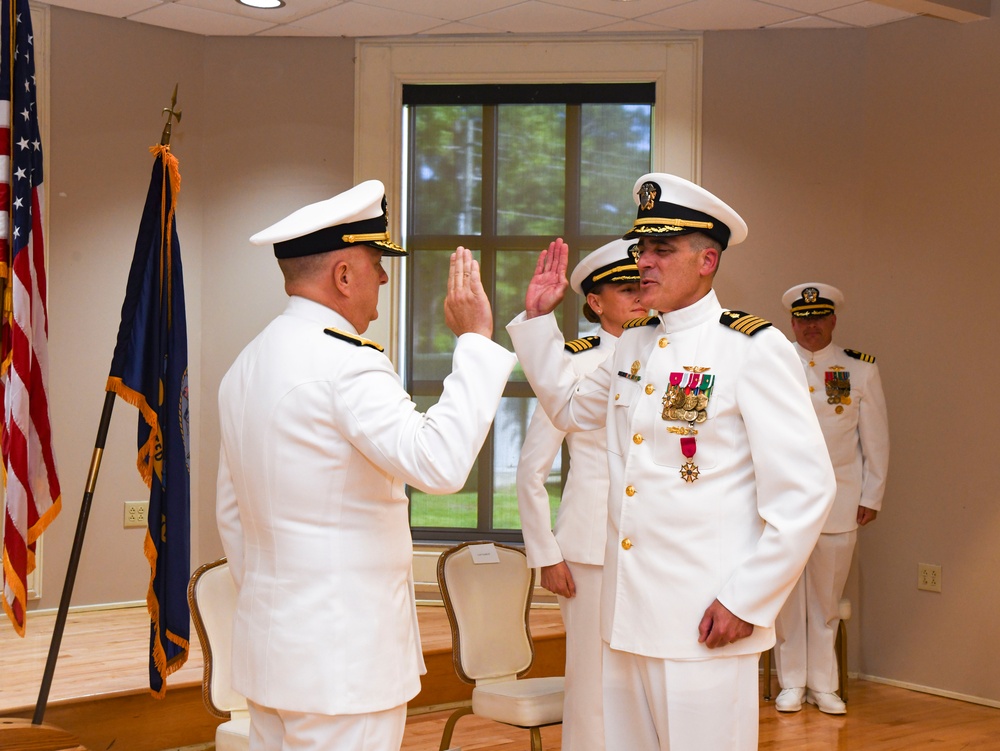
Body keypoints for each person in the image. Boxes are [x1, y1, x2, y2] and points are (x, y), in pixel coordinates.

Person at [506, 173, 836, 750]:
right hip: (627, 614)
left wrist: (747, 600)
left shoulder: (752, 348)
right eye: (641, 249)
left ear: (707, 260)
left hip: (705, 616)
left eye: (662, 249)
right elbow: (568, 407)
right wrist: (537, 323)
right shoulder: (634, 342)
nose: (645, 262)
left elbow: (805, 492)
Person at [215, 179, 516, 751]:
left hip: (272, 650)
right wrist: (475, 341)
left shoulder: (247, 364)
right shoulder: (345, 363)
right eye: (376, 262)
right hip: (343, 662)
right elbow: (439, 464)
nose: (383, 276)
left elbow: (231, 512)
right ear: (343, 275)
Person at [516, 238, 645, 751]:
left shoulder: (664, 354)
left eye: (643, 284)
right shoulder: (572, 361)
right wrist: (546, 552)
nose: (640, 295)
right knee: (591, 682)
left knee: (641, 678)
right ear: (595, 301)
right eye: (626, 287)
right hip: (589, 545)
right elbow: (531, 470)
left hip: (651, 544)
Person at [772, 283, 889, 715]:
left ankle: (824, 686)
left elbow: (875, 439)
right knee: (784, 598)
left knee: (825, 602)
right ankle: (791, 683)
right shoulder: (773, 363)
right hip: (782, 502)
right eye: (802, 319)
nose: (810, 327)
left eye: (818, 318)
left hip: (839, 501)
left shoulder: (859, 370)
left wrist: (872, 494)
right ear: (792, 322)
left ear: (833, 321)